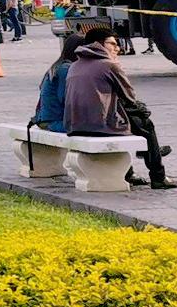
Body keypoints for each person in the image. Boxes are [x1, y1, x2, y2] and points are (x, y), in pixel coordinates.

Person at [65, 24, 172, 188]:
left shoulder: (74, 65)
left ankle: (134, 167)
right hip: (99, 126)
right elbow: (130, 98)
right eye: (112, 44)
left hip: (75, 125)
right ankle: (158, 176)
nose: (118, 48)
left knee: (128, 118)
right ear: (99, 45)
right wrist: (144, 111)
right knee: (145, 124)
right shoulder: (109, 65)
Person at [31, 32, 81, 133]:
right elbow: (65, 98)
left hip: (47, 118)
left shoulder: (60, 65)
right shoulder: (65, 69)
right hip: (52, 121)